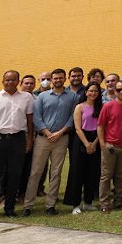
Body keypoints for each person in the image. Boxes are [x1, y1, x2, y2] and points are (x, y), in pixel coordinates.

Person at [0, 70, 35, 218]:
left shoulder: (27, 98)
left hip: (18, 140)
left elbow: (30, 121)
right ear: (3, 81)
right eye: (7, 80)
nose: (10, 82)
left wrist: (30, 140)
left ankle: (9, 207)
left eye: (13, 80)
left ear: (18, 81)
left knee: (15, 175)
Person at [23, 68, 78, 216]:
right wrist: (47, 133)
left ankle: (50, 204)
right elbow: (36, 117)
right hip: (43, 139)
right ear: (52, 80)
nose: (58, 80)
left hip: (61, 139)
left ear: (64, 79)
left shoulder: (72, 96)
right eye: (55, 78)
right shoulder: (42, 96)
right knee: (35, 172)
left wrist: (60, 133)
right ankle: (28, 204)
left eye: (61, 78)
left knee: (56, 173)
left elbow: (73, 117)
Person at [63, 82, 103, 214]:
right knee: (77, 172)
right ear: (86, 92)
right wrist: (87, 144)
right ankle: (75, 204)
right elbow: (78, 128)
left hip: (96, 139)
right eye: (90, 91)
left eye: (96, 91)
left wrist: (95, 143)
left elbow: (102, 127)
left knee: (92, 172)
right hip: (80, 140)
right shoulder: (79, 107)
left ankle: (88, 201)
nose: (93, 93)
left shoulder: (101, 108)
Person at [97, 80, 122, 212]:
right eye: (119, 90)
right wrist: (102, 144)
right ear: (115, 91)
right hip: (110, 145)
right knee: (106, 176)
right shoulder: (108, 106)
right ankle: (104, 204)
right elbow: (100, 126)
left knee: (121, 176)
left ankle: (118, 201)